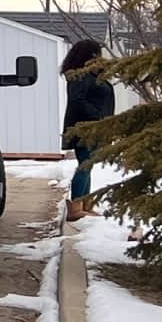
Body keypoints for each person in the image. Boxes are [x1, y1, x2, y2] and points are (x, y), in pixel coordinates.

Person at [61, 38, 114, 222]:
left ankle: (84, 205)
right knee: (85, 164)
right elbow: (78, 100)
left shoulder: (91, 75)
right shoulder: (80, 76)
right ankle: (76, 207)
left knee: (87, 164)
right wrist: (97, 116)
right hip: (85, 127)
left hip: (95, 127)